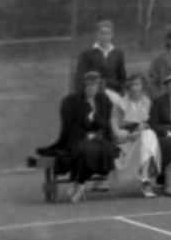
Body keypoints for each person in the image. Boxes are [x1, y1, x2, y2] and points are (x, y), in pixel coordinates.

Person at [53, 70, 117, 203]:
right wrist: (86, 131)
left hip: (99, 137)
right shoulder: (73, 102)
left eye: (96, 86)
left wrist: (95, 120)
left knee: (104, 149)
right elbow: (69, 126)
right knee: (86, 150)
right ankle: (79, 183)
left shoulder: (103, 100)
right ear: (84, 86)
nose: (93, 89)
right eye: (90, 86)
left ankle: (79, 183)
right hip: (78, 138)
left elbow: (106, 123)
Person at [110, 73, 162, 198]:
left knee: (148, 134)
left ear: (142, 86)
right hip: (126, 145)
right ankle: (145, 179)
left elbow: (151, 125)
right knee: (148, 135)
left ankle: (145, 178)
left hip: (144, 143)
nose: (135, 88)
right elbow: (115, 131)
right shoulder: (119, 105)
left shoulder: (147, 103)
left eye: (137, 84)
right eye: (132, 85)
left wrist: (141, 131)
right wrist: (129, 135)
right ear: (128, 87)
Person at [74, 20, 126, 98]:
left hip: (114, 93)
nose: (105, 36)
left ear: (112, 35)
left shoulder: (118, 53)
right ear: (97, 34)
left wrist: (121, 93)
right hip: (93, 94)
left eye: (108, 33)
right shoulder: (86, 54)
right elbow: (80, 78)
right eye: (102, 33)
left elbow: (122, 77)